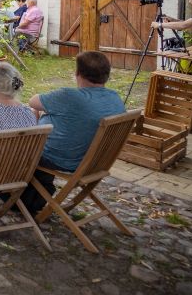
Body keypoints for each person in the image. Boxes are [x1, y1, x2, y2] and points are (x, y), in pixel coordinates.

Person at [21, 51, 125, 214]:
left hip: (57, 159)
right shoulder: (115, 98)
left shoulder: (69, 96)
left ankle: (16, 192)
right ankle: (35, 192)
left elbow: (33, 101)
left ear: (78, 73)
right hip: (96, 162)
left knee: (30, 116)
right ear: (107, 74)